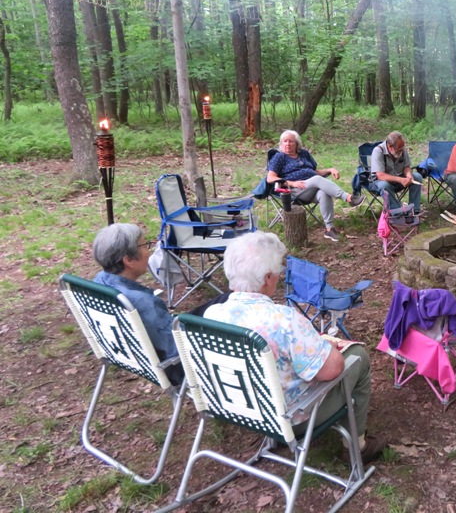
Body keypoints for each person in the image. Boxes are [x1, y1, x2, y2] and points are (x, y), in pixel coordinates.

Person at [203, 232, 387, 464]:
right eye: (278, 272)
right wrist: (325, 344)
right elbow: (331, 370)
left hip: (240, 408)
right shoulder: (284, 320)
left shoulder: (212, 314)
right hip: (290, 418)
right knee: (358, 356)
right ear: (268, 277)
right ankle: (356, 447)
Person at [92, 223, 183, 385]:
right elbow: (175, 349)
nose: (149, 253)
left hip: (128, 355)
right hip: (176, 367)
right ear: (128, 260)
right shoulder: (141, 302)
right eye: (145, 246)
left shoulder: (99, 282)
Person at [267, 130, 364, 242]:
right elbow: (271, 178)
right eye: (285, 141)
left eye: (291, 141)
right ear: (281, 143)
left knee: (324, 192)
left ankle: (329, 229)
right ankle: (349, 198)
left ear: (297, 143)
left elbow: (316, 172)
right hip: (294, 190)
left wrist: (330, 169)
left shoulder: (304, 154)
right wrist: (292, 183)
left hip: (311, 187)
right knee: (318, 180)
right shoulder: (279, 157)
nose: (288, 144)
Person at [370, 131, 423, 214]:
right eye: (398, 149)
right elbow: (380, 175)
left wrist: (409, 176)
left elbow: (406, 166)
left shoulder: (401, 148)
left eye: (402, 148)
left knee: (417, 177)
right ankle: (398, 212)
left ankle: (414, 210)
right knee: (384, 185)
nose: (401, 151)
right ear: (390, 146)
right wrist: (401, 180)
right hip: (379, 183)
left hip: (397, 180)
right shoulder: (378, 151)